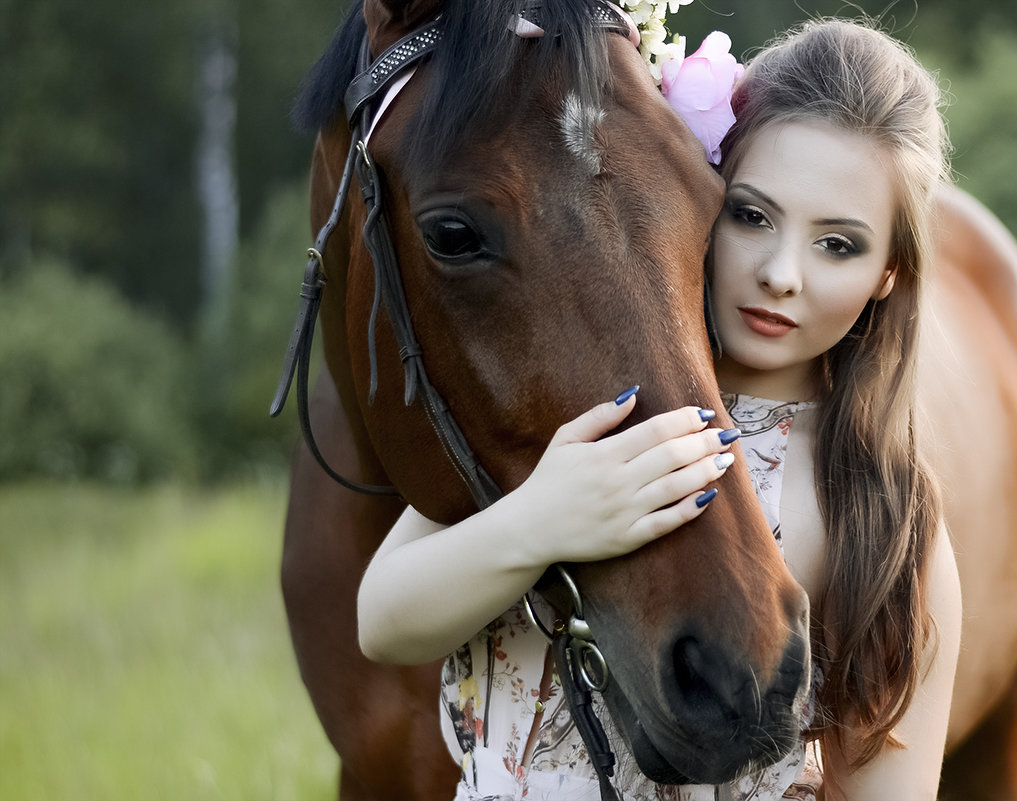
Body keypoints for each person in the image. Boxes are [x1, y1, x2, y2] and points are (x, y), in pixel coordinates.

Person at [357, 17, 962, 801]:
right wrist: (541, 519)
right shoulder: (584, 414)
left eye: (838, 244)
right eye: (751, 215)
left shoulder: (877, 510)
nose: (781, 273)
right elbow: (383, 617)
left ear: (889, 271)